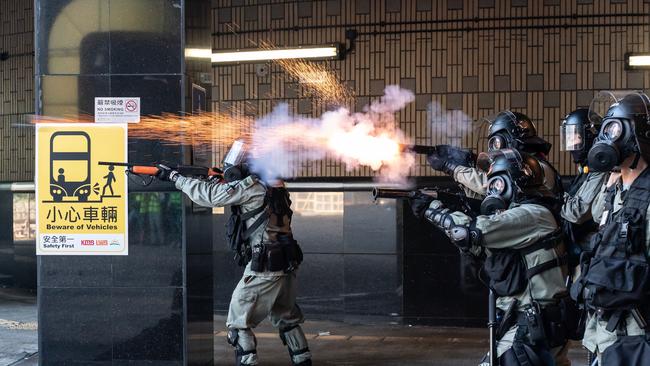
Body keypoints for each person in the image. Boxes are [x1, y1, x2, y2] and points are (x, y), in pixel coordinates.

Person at [155, 140, 312, 366]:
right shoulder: (276, 184)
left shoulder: (253, 186)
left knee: (238, 326)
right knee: (287, 319)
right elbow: (233, 193)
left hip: (264, 268)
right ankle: (303, 361)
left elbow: (210, 196)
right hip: (285, 265)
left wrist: (175, 178)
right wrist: (220, 180)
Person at [412, 149, 572, 366]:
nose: (492, 190)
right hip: (535, 322)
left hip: (531, 323)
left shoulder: (531, 214)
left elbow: (469, 231)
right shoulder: (532, 213)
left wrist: (432, 209)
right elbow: (479, 248)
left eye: (496, 183)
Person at [571, 92, 650, 365]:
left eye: (617, 131)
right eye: (608, 130)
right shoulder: (614, 190)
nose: (609, 140)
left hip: (636, 334)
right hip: (603, 331)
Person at [426, 110, 563, 205]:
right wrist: (470, 164)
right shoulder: (532, 164)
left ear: (508, 139)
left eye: (496, 142)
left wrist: (452, 168)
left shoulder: (534, 167)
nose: (494, 147)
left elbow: (491, 185)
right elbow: (488, 196)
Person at [559, 108, 607, 262]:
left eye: (576, 136)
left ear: (591, 137)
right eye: (569, 137)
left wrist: (555, 201)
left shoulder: (601, 170)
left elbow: (576, 213)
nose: (571, 143)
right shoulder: (585, 168)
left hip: (591, 249)